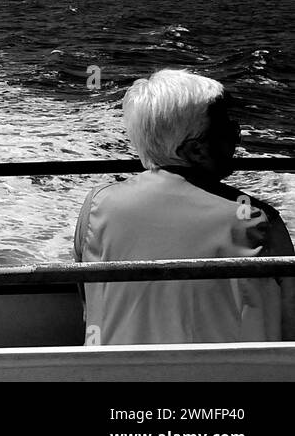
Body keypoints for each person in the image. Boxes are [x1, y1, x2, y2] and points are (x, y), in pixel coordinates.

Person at [75, 69, 295, 345]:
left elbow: (90, 307)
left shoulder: (96, 206)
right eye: (228, 129)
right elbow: (289, 330)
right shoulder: (259, 220)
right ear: (195, 150)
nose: (237, 139)